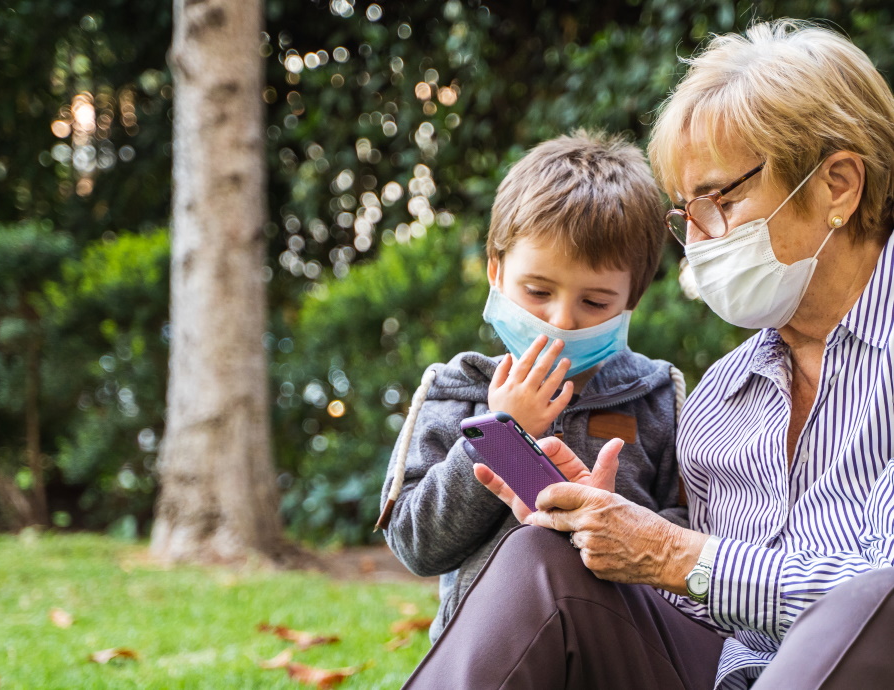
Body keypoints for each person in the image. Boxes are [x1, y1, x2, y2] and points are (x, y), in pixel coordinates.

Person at [402, 19, 894, 690]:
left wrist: (668, 552)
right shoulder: (723, 396)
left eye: (717, 198)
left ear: (836, 184)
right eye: (683, 211)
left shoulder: (666, 393)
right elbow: (704, 609)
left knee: (875, 597)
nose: (696, 237)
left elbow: (874, 607)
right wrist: (608, 536)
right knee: (542, 559)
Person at [376, 131, 688, 642]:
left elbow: (688, 540)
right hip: (487, 655)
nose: (561, 320)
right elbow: (416, 544)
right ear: (496, 273)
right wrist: (501, 436)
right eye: (538, 291)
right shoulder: (454, 391)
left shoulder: (658, 397)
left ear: (632, 300)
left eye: (595, 303)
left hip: (615, 654)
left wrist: (614, 521)